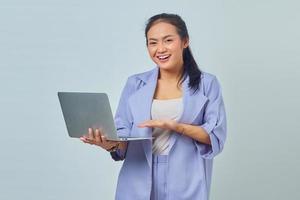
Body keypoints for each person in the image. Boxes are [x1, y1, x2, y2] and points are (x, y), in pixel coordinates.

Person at [80, 13, 227, 200]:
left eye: (168, 40)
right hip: (137, 176)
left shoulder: (207, 84)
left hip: (186, 177)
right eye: (153, 42)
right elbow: (122, 138)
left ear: (185, 41)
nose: (160, 49)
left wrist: (177, 127)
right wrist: (106, 143)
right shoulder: (135, 84)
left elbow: (215, 136)